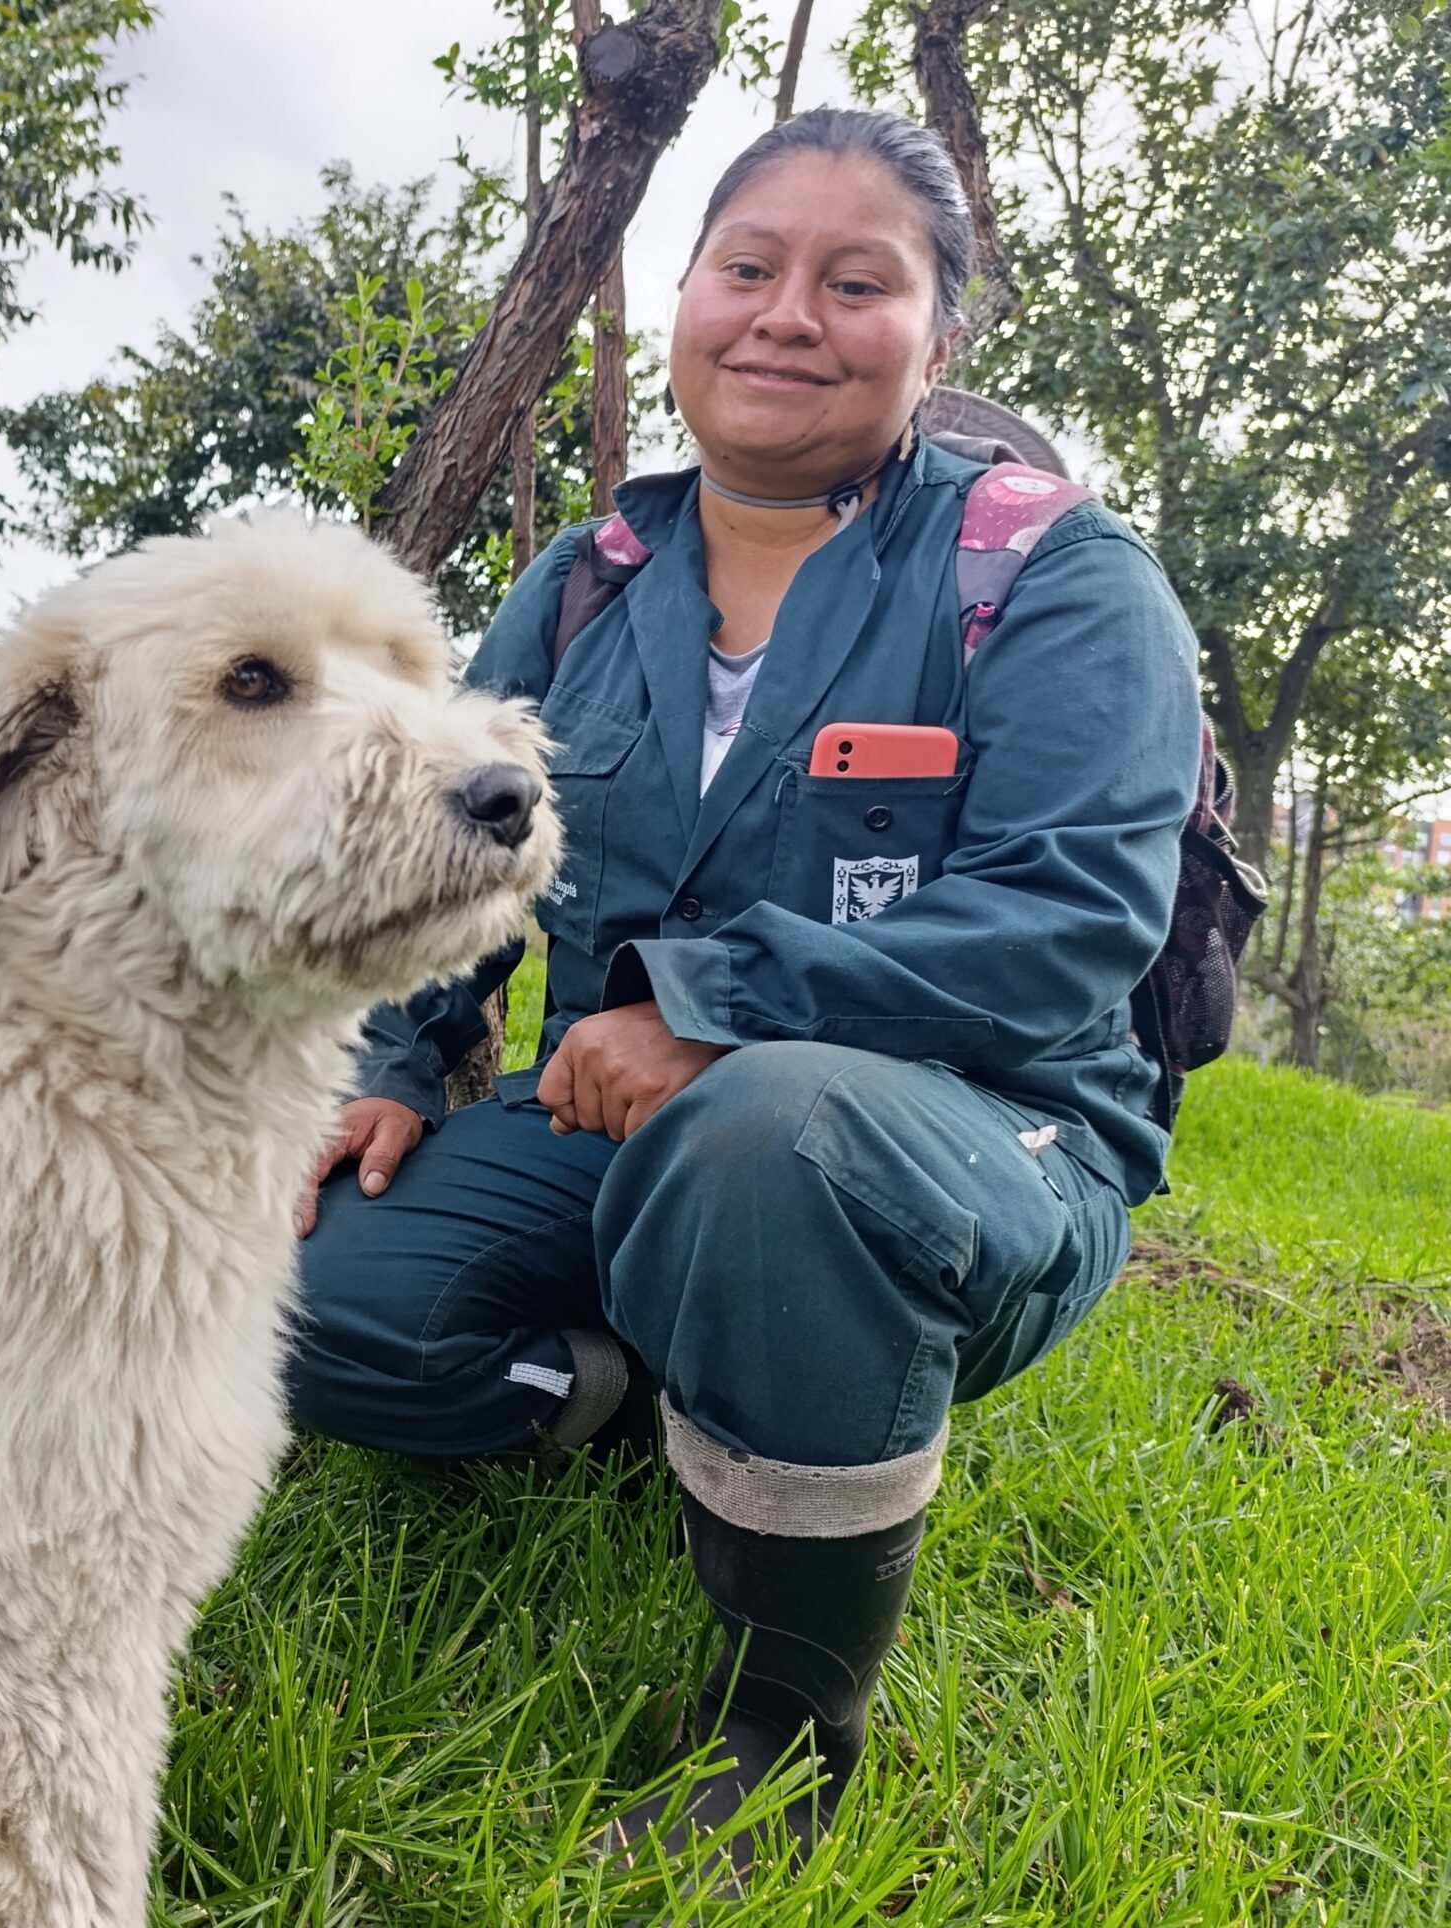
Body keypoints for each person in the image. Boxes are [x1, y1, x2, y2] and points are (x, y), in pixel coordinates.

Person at [287, 107, 1201, 1876]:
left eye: (859, 282)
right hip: (611, 1126)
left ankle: (785, 1735)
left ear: (938, 340)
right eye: (749, 267)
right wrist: (402, 1057)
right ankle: (672, 1398)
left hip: (974, 1148)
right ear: (689, 295)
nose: (788, 313)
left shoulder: (1059, 577)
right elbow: (466, 846)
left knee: (766, 1127)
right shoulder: (587, 584)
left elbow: (1078, 914)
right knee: (310, 1304)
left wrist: (714, 1005)